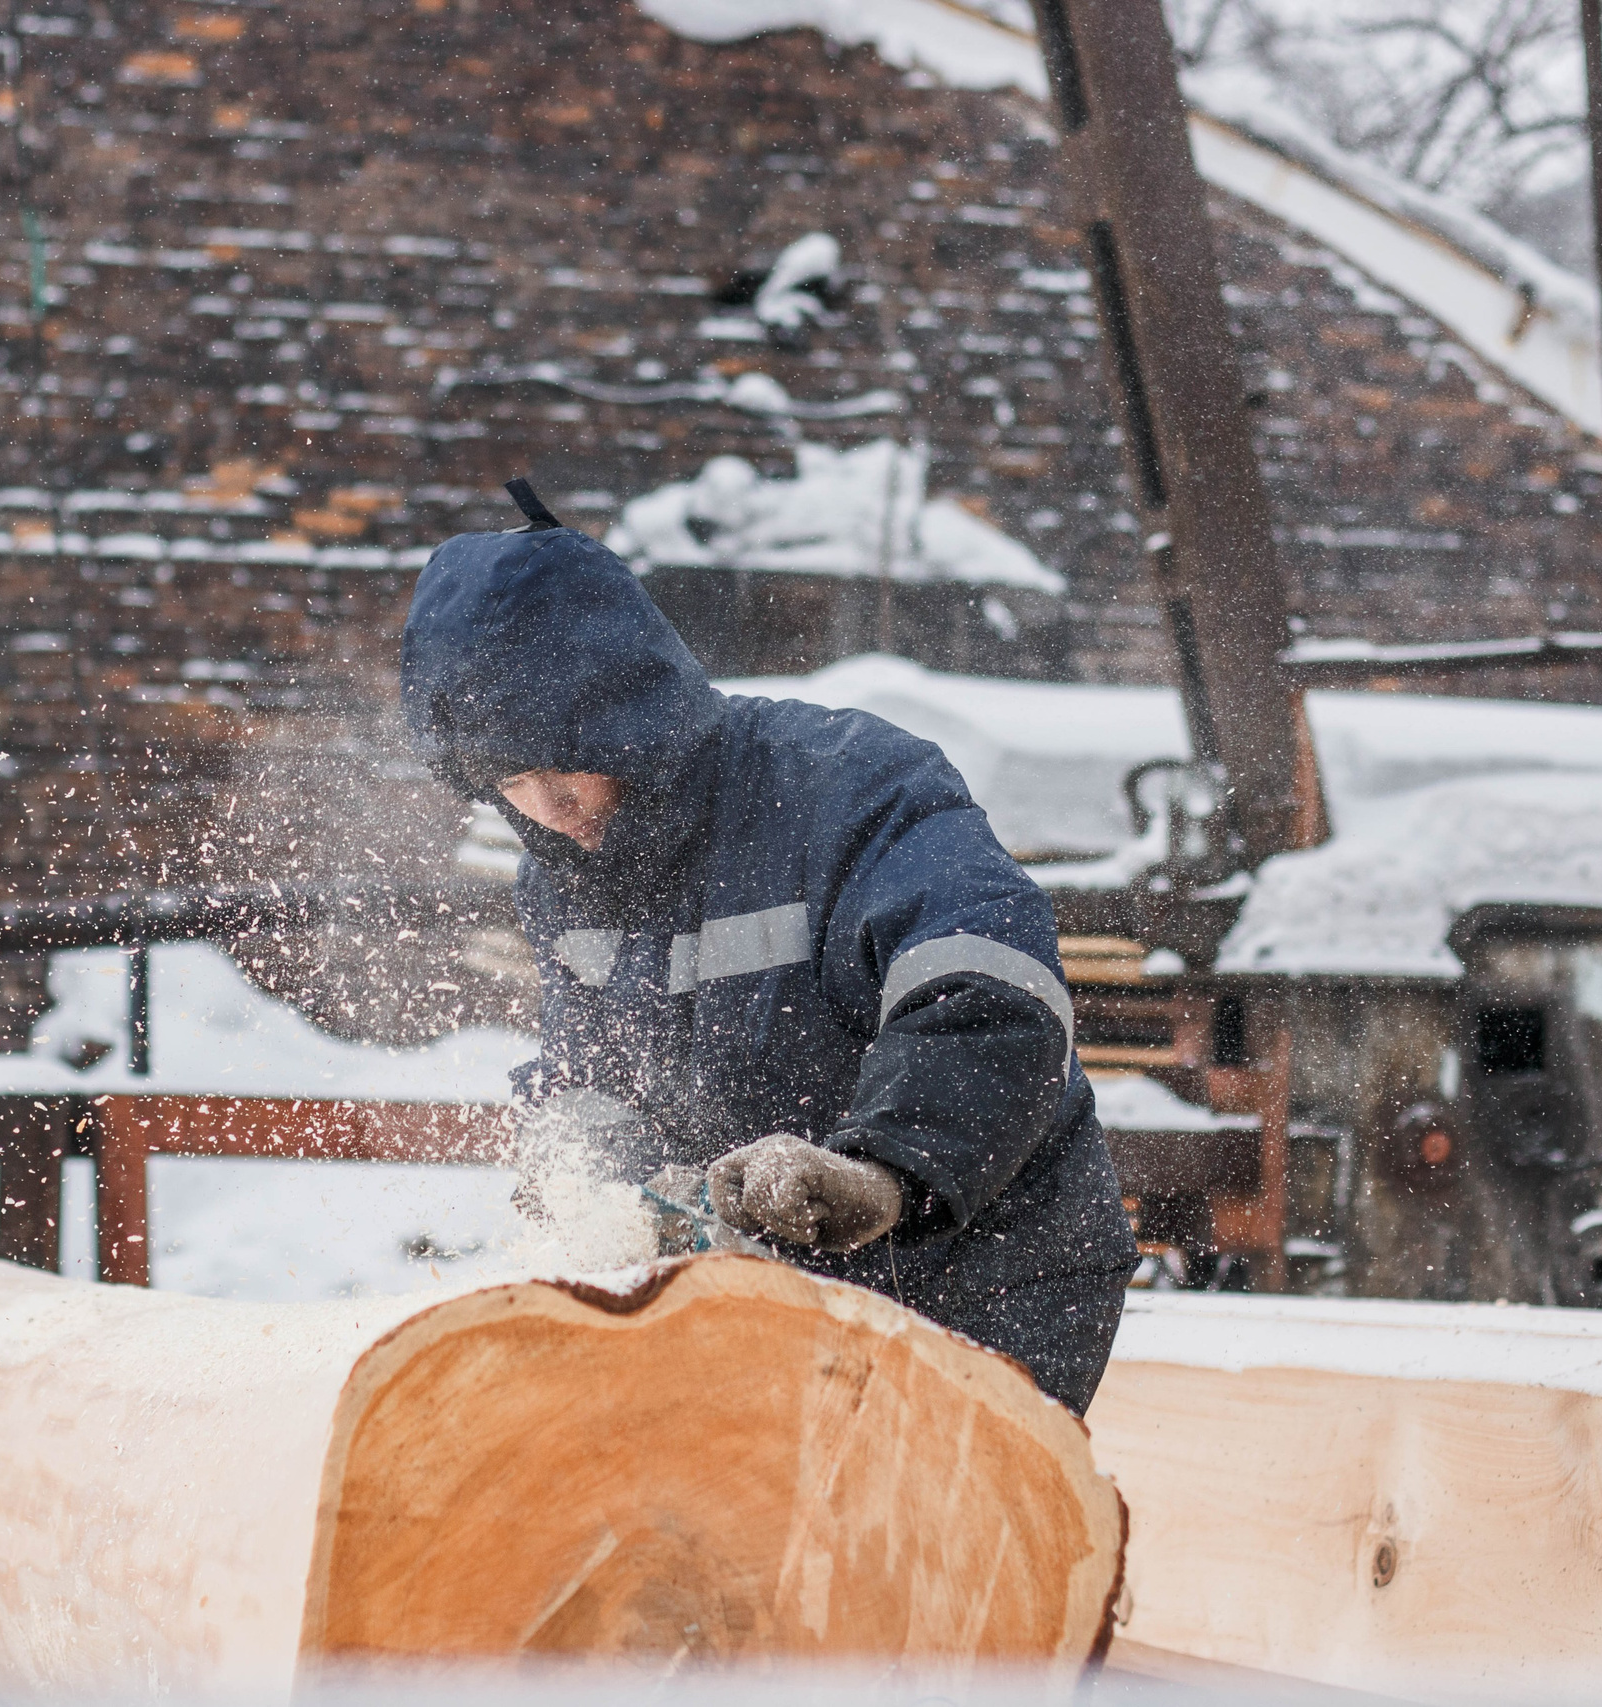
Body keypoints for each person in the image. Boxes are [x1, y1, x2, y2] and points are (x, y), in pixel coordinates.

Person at [400, 484, 1138, 1415]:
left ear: (632, 711)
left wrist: (884, 1170)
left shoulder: (850, 787)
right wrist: (598, 1181)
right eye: (510, 779)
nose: (547, 808)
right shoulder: (562, 879)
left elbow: (989, 988)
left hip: (984, 1276)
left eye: (560, 762)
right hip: (774, 1298)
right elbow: (594, 1071)